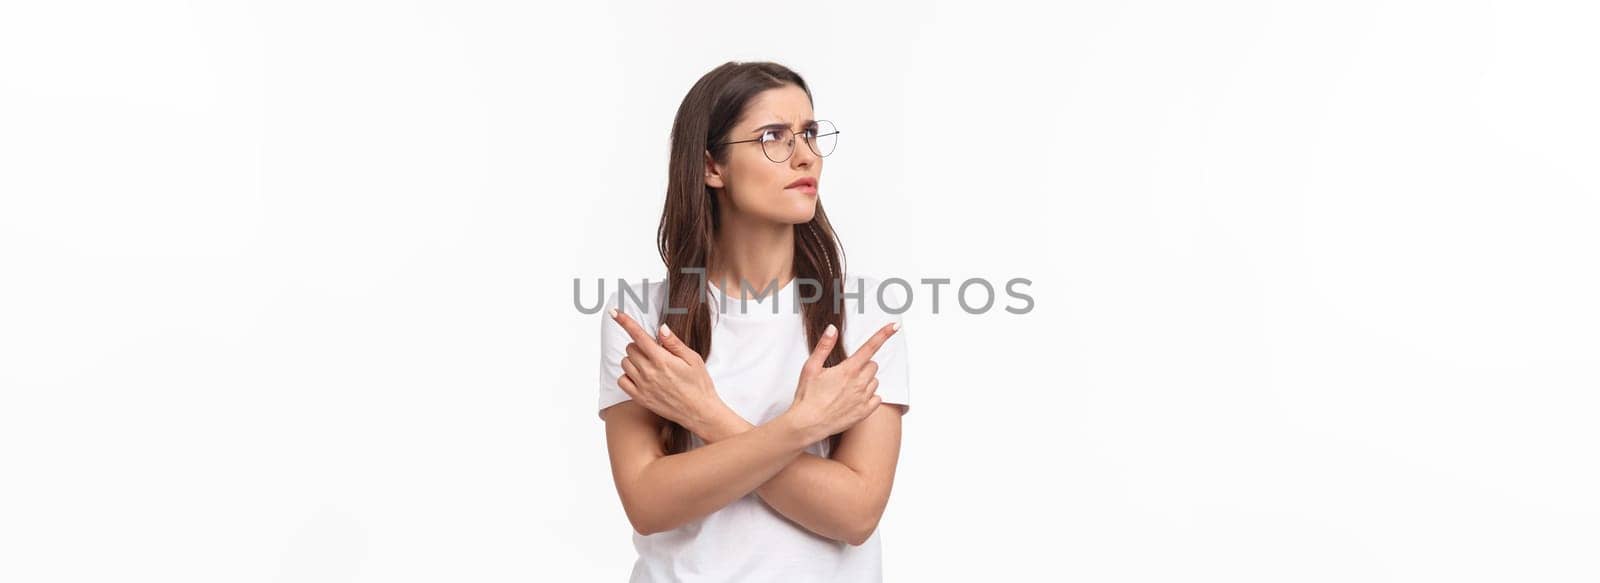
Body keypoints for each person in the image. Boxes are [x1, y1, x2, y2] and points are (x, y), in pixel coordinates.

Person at [595, 61, 912, 582]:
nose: (806, 155)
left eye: (809, 133)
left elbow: (856, 514)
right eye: (774, 137)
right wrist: (799, 429)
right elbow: (649, 504)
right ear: (711, 168)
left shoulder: (865, 313)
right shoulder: (642, 317)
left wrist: (707, 415)